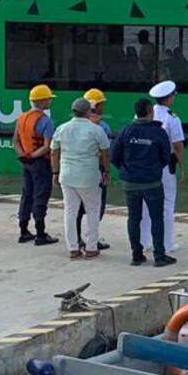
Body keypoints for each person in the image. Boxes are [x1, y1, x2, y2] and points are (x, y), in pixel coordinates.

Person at [111, 98, 175, 267]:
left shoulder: (126, 131)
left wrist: (128, 170)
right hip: (152, 183)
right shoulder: (158, 132)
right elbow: (166, 157)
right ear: (150, 111)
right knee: (157, 218)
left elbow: (114, 157)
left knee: (134, 218)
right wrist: (153, 169)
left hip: (130, 183)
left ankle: (136, 255)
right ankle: (159, 256)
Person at [50, 98, 110, 260]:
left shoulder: (62, 128)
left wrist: (55, 173)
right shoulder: (96, 130)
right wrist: (106, 171)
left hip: (67, 175)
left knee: (70, 211)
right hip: (89, 176)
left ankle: (73, 248)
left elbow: (54, 152)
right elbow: (105, 152)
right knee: (92, 210)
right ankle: (91, 247)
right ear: (88, 112)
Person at [140, 80, 185, 254]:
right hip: (165, 165)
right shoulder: (172, 118)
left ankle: (144, 242)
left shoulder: (143, 116)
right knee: (166, 203)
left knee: (145, 203)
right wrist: (182, 168)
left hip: (145, 164)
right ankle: (167, 243)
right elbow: (178, 146)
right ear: (169, 98)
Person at [13, 84, 59, 245]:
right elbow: (47, 146)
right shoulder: (46, 121)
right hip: (40, 162)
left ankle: (23, 230)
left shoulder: (21, 118)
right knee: (40, 195)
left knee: (26, 194)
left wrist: (24, 155)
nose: (50, 102)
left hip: (26, 162)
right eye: (48, 99)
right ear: (42, 101)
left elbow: (15, 141)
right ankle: (40, 234)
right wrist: (33, 155)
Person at [75, 88, 112, 253]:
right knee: (96, 208)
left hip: (75, 169)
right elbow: (105, 153)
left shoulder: (72, 125)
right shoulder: (102, 127)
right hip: (95, 170)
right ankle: (92, 241)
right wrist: (106, 171)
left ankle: (76, 240)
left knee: (75, 209)